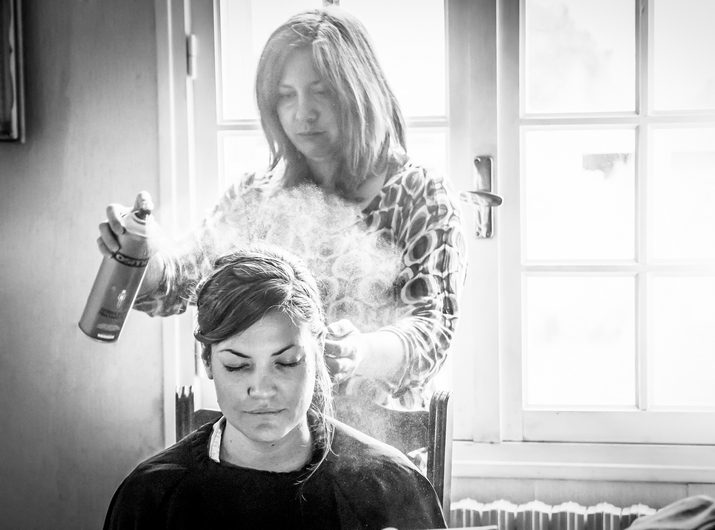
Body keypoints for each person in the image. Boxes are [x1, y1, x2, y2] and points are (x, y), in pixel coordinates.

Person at [97, 6, 467, 411]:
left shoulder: (420, 193)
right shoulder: (257, 195)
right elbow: (183, 277)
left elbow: (431, 331)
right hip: (268, 426)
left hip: (385, 434)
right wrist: (145, 256)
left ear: (361, 91)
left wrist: (360, 351)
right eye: (286, 96)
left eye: (323, 91)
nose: (303, 113)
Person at [102, 247, 446, 530]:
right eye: (237, 366)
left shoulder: (390, 488)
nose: (262, 390)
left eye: (286, 362)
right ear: (207, 360)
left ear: (317, 353)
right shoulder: (150, 499)